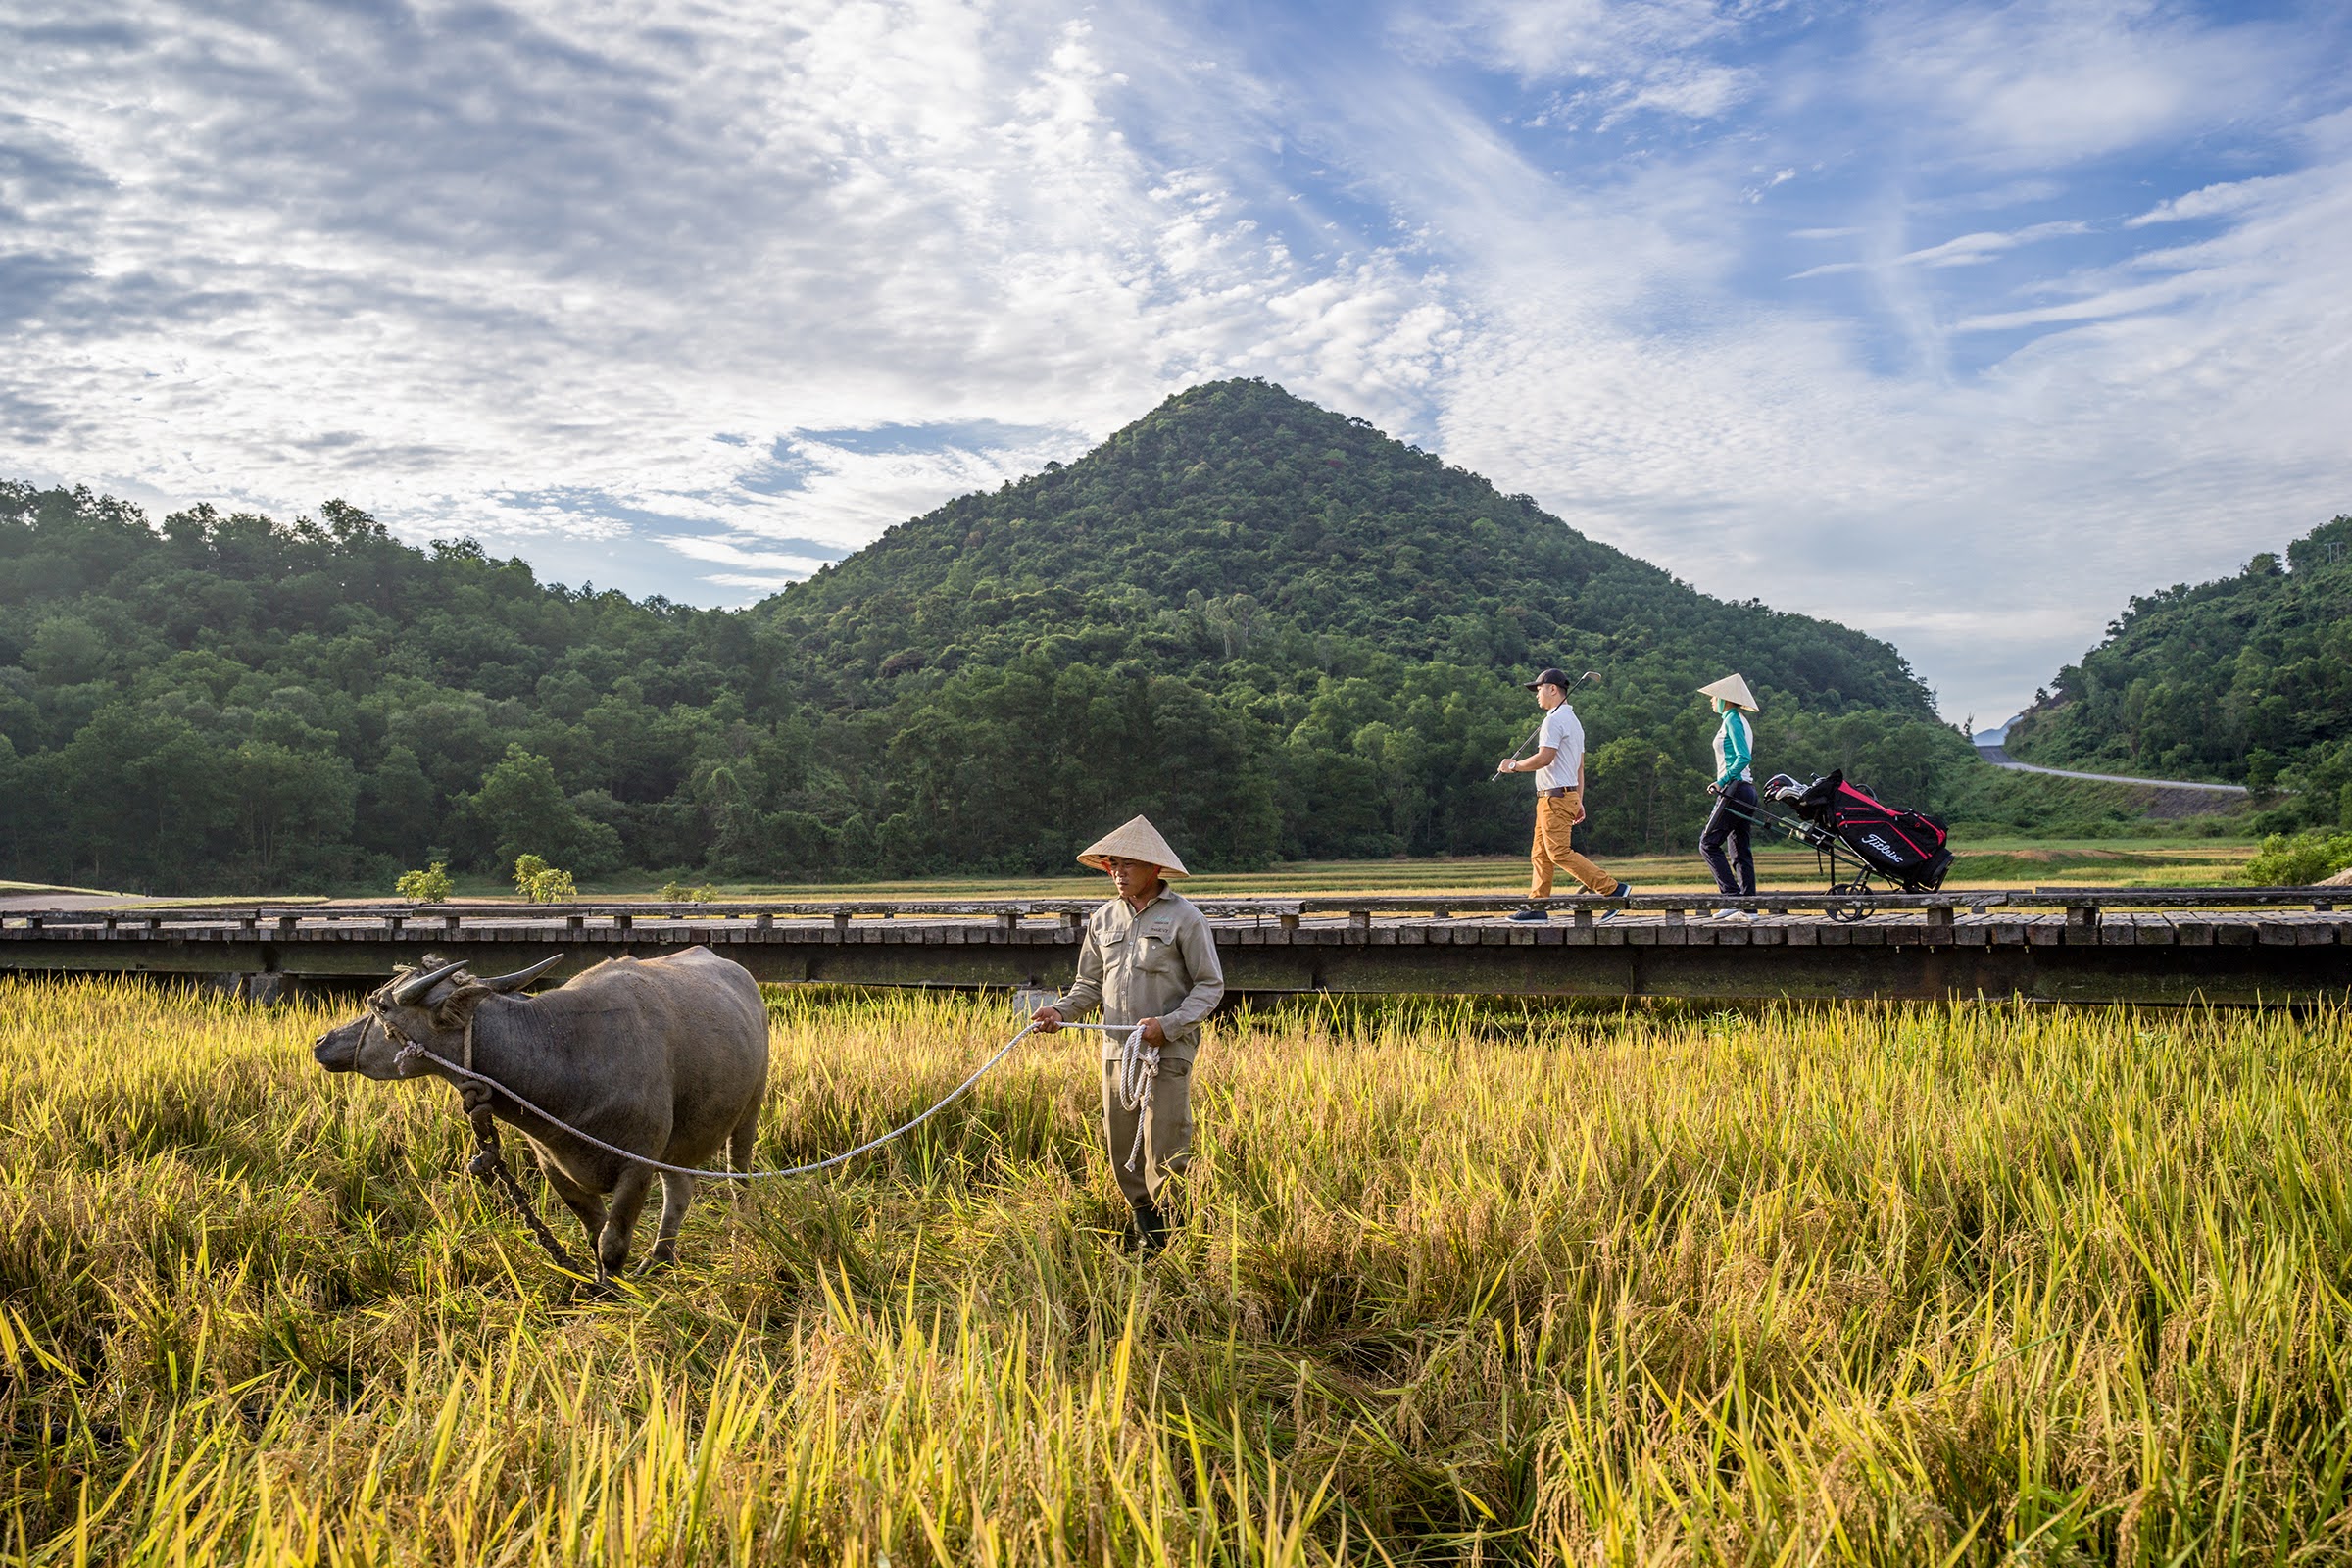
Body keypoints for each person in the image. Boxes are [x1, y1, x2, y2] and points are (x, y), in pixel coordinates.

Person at [1030, 814, 1225, 1253]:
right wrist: (1058, 1012)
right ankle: (1147, 1237)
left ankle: (1179, 1241)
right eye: (1113, 864)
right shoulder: (1103, 919)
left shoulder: (1185, 919)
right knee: (1122, 1148)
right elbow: (1089, 985)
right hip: (1118, 1052)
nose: (1117, 873)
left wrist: (1167, 1026)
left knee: (1165, 1148)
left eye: (1128, 865)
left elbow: (1210, 987)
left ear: (1154, 869)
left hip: (1166, 1051)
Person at [1496, 667, 1630, 920]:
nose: (1537, 695)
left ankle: (1613, 890)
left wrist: (1513, 766)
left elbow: (1545, 758)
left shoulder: (1553, 720)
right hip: (1561, 796)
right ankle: (1537, 906)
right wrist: (1578, 799)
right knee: (1540, 853)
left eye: (1538, 690)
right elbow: (1579, 767)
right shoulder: (1574, 722)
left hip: (1554, 797)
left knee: (1558, 852)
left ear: (1553, 689)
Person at [1696, 674, 1760, 916]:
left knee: (1708, 843)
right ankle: (1749, 907)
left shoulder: (1732, 719)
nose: (1711, 701)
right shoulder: (1737, 720)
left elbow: (1744, 757)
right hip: (1746, 790)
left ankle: (1731, 898)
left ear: (1725, 699)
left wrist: (1720, 781)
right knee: (1739, 849)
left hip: (1734, 789)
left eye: (1714, 697)